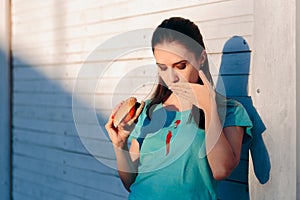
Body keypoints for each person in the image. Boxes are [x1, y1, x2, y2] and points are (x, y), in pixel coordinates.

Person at [105, 17, 253, 200]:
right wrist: (119, 145)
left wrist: (208, 106)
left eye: (180, 66)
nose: (172, 77)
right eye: (162, 67)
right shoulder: (149, 112)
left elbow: (221, 170)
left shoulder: (229, 110)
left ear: (201, 58)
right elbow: (131, 183)